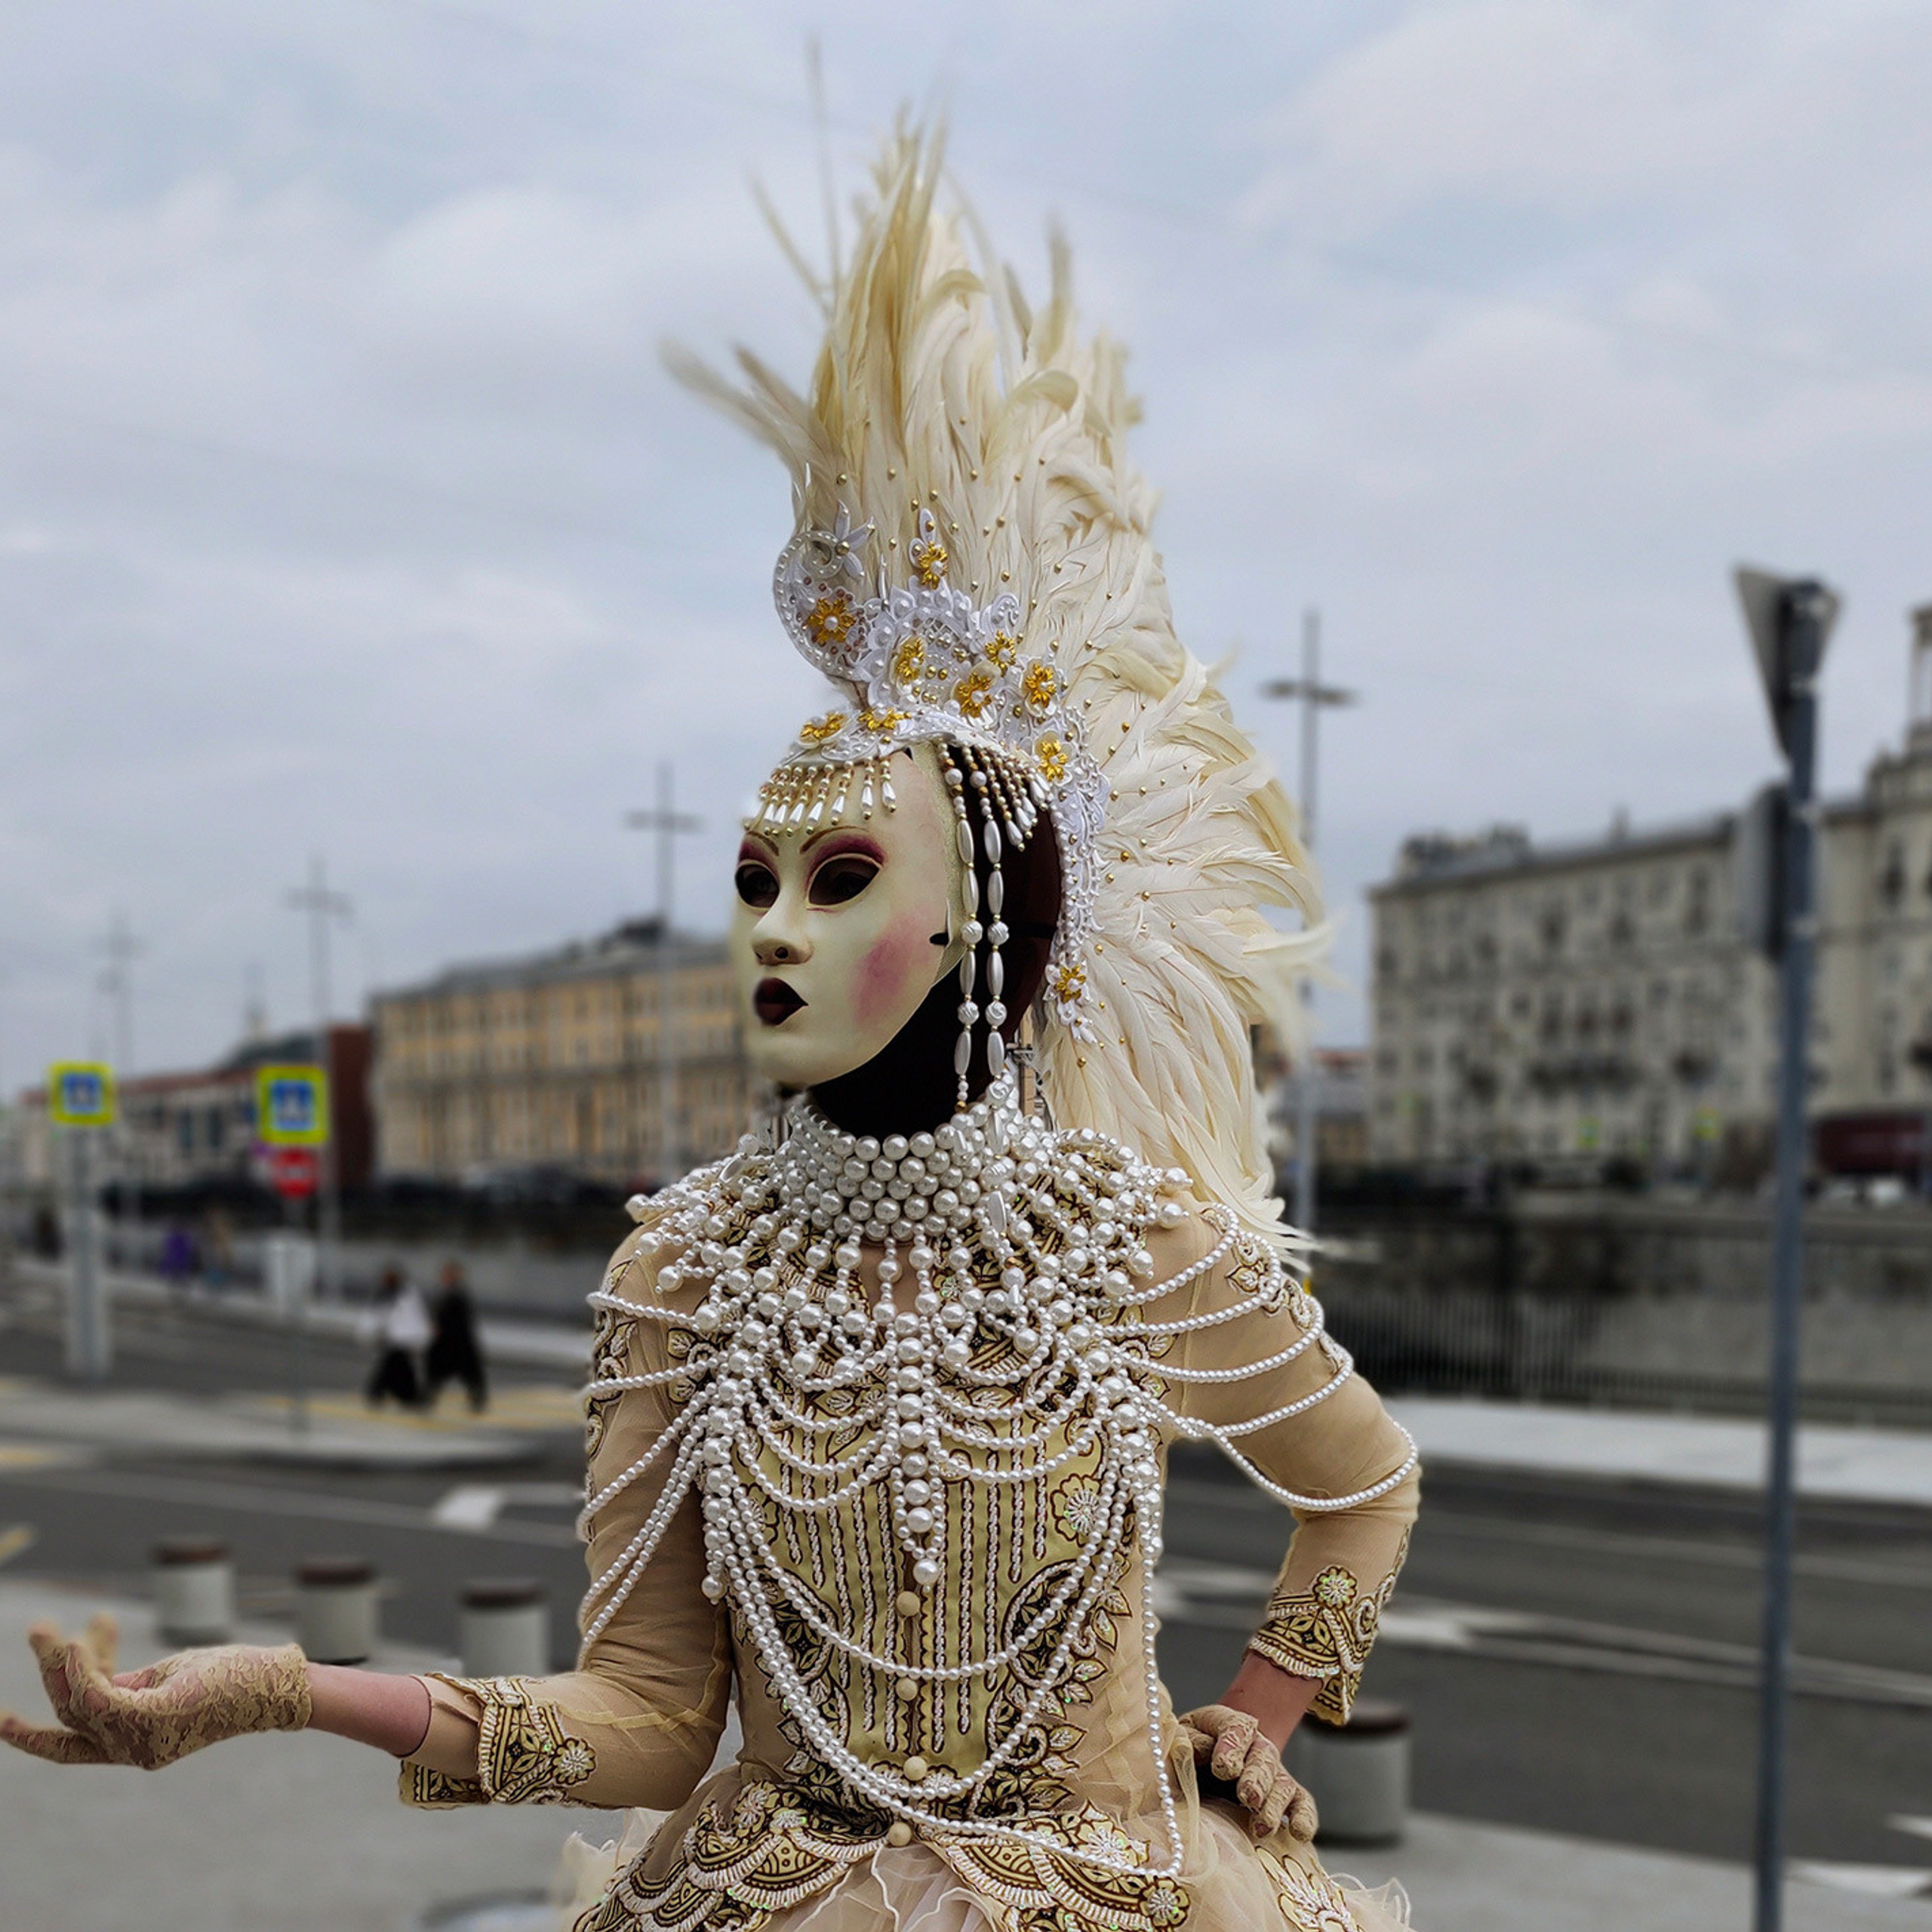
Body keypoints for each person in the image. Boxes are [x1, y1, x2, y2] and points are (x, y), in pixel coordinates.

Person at [0, 129, 1420, 1932]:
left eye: (836, 877)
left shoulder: (1130, 1243)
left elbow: (1360, 1482)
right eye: (754, 876)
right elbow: (654, 1717)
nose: (771, 922)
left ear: (981, 923)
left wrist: (1261, 1708)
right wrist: (283, 1689)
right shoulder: (682, 1266)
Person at [362, 1264, 429, 1411]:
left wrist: (419, 1338)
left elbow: (416, 1317)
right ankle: (406, 1396)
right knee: (399, 1368)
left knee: (392, 1368)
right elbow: (376, 1318)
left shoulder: (407, 1294)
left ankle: (379, 1393)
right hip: (394, 1339)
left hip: (404, 1339)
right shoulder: (384, 1295)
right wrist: (369, 1334)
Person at [425, 1258, 488, 1412]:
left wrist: (440, 1328)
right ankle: (429, 1397)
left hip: (457, 1342)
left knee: (468, 1374)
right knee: (437, 1372)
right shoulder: (445, 1293)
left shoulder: (458, 1295)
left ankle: (477, 1400)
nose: (445, 1277)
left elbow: (460, 1320)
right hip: (447, 1342)